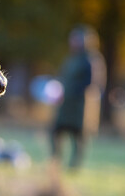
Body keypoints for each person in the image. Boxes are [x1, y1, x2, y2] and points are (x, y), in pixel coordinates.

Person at [50, 25, 106, 169]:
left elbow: (91, 83)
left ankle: (74, 166)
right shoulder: (71, 59)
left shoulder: (91, 60)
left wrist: (73, 92)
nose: (72, 42)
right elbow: (63, 78)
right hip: (65, 104)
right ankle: (55, 161)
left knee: (79, 137)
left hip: (80, 107)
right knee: (55, 131)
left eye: (75, 39)